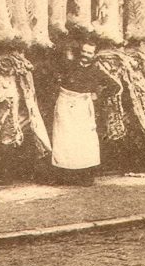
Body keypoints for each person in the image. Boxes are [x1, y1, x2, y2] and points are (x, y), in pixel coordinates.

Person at [50, 40, 120, 186]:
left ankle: (85, 176)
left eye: (89, 53)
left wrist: (98, 95)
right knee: (64, 139)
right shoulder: (68, 66)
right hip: (65, 104)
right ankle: (64, 175)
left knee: (84, 140)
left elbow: (115, 86)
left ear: (94, 55)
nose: (85, 55)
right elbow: (52, 78)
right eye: (84, 51)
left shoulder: (96, 71)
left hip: (83, 105)